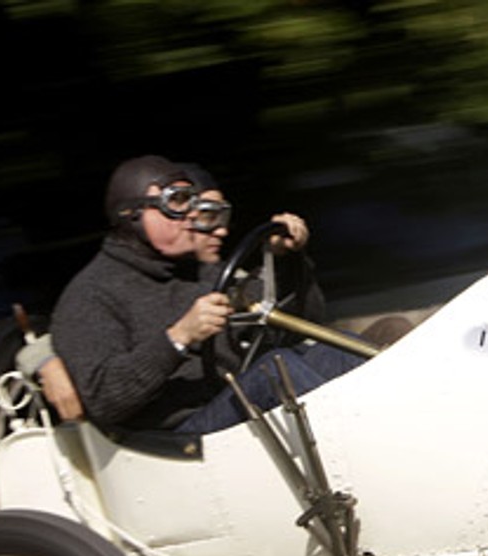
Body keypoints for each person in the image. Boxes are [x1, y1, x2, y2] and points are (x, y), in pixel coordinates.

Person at [48, 155, 364, 435]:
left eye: (192, 203)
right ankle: (365, 450)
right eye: (177, 204)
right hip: (176, 438)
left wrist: (286, 262)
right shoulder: (90, 295)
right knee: (277, 371)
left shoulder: (201, 272)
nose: (190, 216)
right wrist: (178, 337)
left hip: (230, 402)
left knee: (340, 352)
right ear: (133, 216)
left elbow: (301, 321)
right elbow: (104, 399)